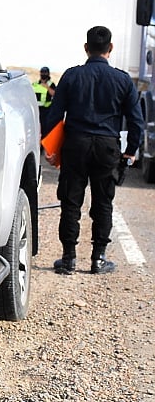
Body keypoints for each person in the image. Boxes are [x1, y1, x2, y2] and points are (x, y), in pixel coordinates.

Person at [42, 26, 143, 275]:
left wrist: (50, 147)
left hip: (76, 145)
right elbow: (136, 121)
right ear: (110, 49)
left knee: (70, 201)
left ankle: (68, 260)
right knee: (103, 203)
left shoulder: (72, 76)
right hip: (107, 147)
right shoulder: (122, 80)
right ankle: (98, 260)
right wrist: (130, 152)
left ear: (86, 48)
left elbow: (54, 115)